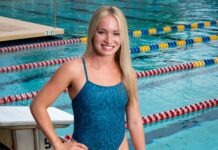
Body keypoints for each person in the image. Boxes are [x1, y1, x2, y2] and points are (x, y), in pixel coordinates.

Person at [30, 6, 145, 150]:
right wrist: (58, 144)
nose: (109, 40)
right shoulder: (74, 69)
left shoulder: (128, 74)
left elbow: (134, 121)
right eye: (102, 32)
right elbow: (38, 105)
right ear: (92, 33)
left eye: (116, 33)